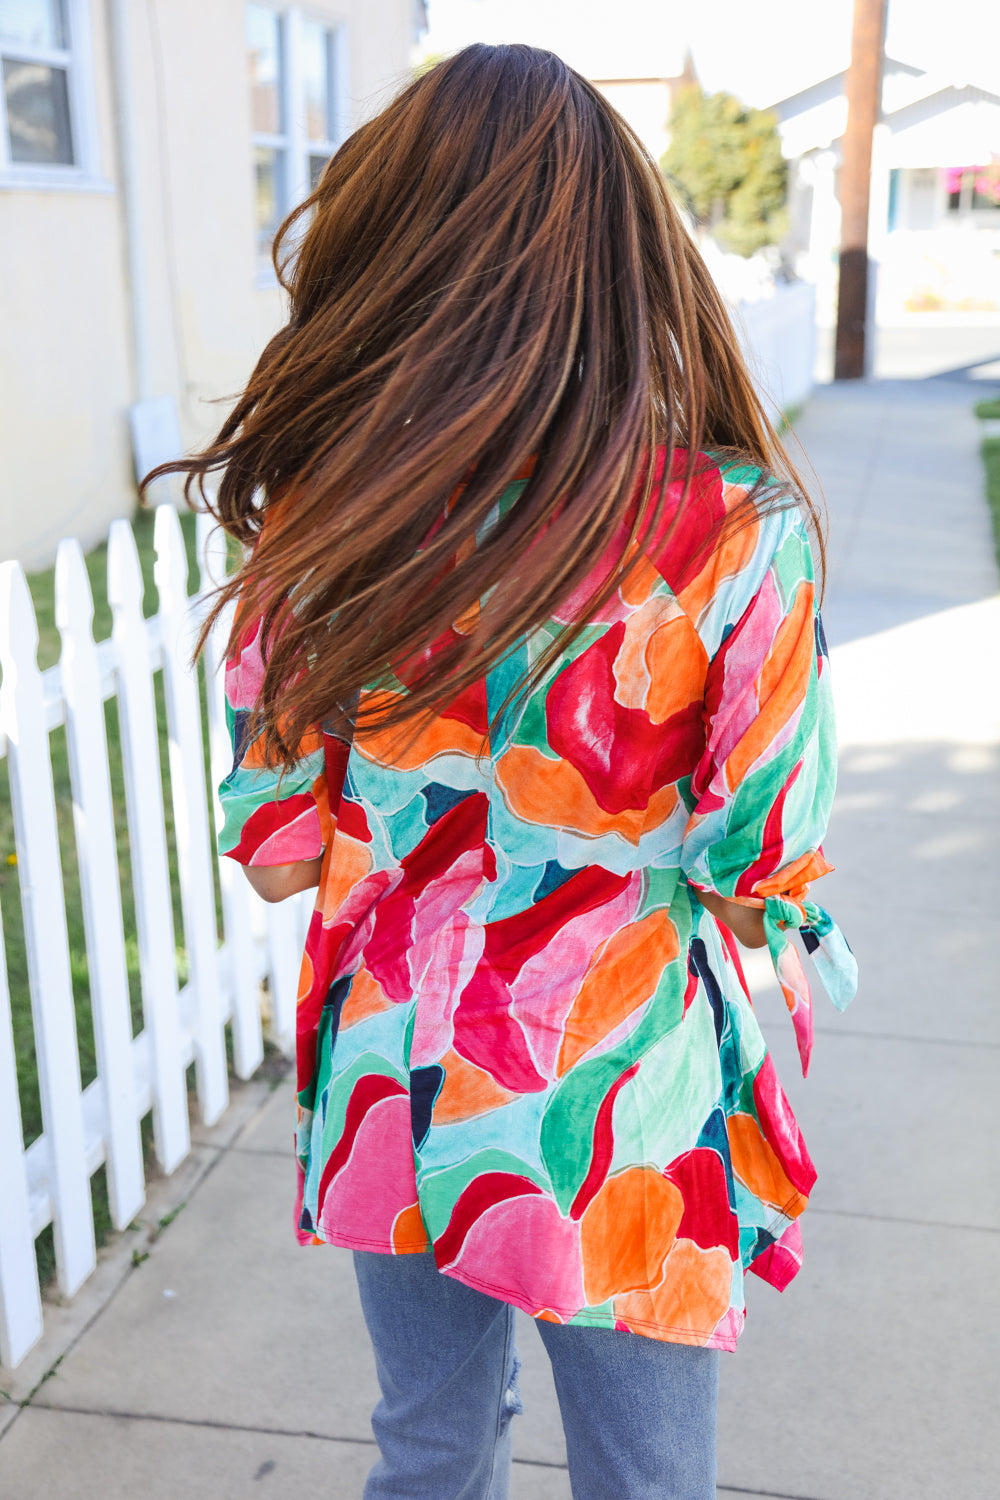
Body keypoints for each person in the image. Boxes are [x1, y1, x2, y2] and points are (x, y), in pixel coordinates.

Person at [154, 42, 857, 1500]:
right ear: (628, 261)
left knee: (427, 1447)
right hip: (618, 1094)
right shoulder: (736, 531)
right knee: (644, 1477)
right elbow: (753, 882)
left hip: (396, 1078)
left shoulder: (328, 524)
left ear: (389, 255)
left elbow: (284, 862)